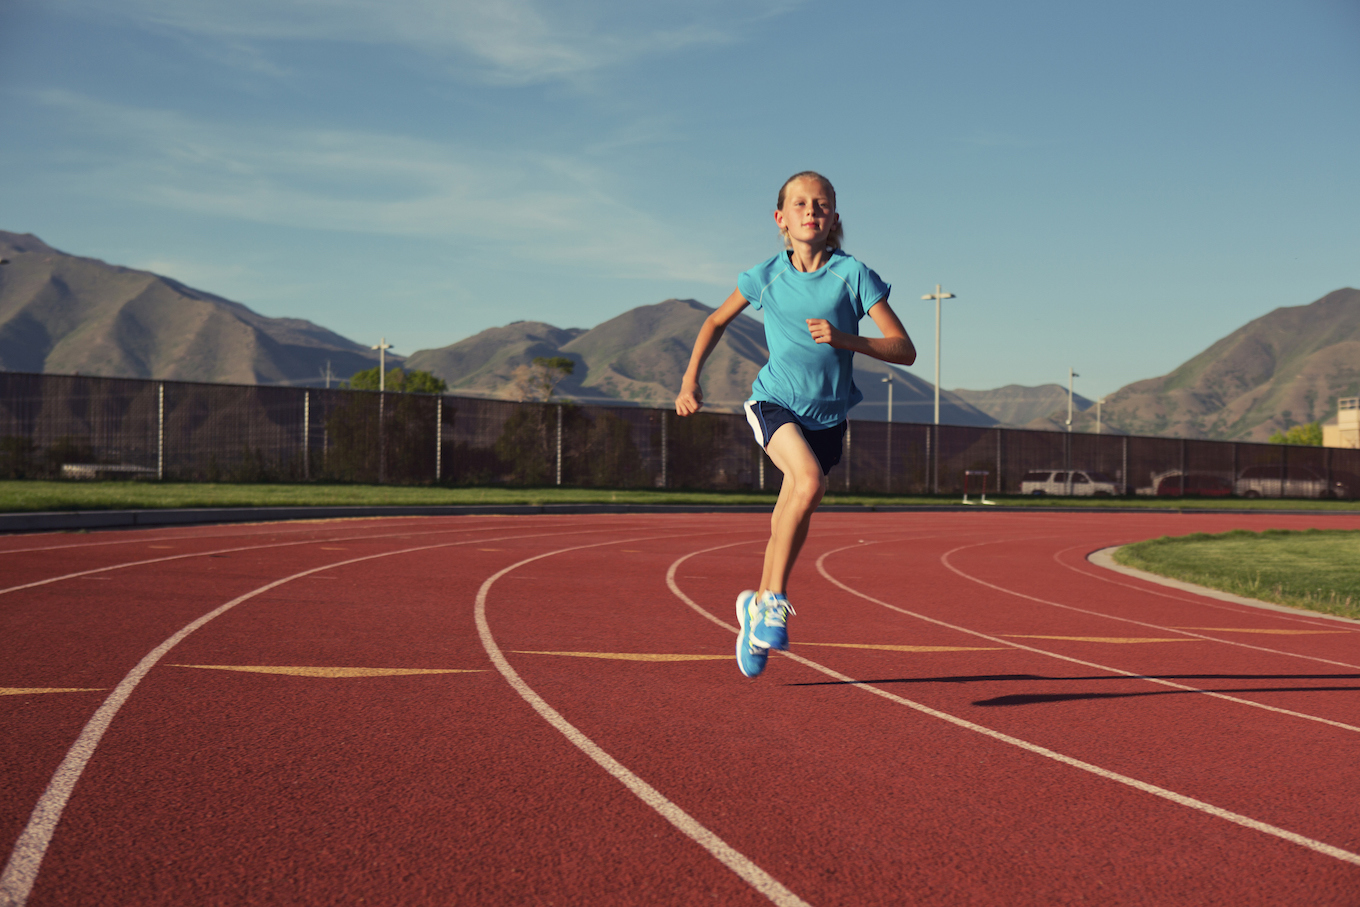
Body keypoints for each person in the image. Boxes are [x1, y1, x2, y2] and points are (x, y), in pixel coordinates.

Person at [675, 171, 916, 678]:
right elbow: (715, 321)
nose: (811, 211)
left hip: (828, 417)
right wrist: (690, 379)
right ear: (780, 218)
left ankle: (754, 606)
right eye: (801, 204)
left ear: (834, 218)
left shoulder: (853, 275)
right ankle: (773, 601)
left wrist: (846, 339)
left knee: (795, 508)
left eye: (821, 204)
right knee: (808, 483)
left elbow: (903, 348)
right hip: (775, 402)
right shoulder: (765, 276)